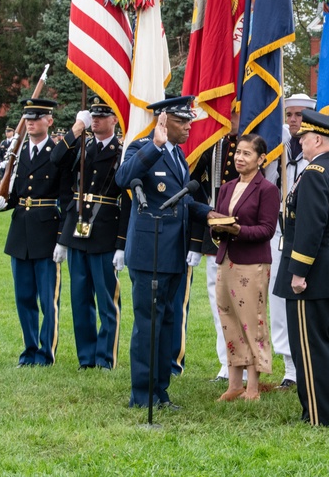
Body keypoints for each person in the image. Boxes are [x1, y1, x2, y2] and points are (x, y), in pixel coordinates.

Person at [114, 96, 216, 409]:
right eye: (182, 121)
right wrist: (154, 146)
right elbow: (122, 178)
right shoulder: (141, 148)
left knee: (167, 323)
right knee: (148, 324)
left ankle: (160, 391)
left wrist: (211, 214)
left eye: (189, 121)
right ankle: (142, 396)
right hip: (150, 251)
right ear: (162, 121)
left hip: (173, 252)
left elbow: (182, 201)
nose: (188, 127)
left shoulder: (179, 156)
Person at [273, 109, 329, 426]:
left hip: (316, 272)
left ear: (317, 139)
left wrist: (298, 272)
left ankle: (318, 414)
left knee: (311, 347)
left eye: (305, 140)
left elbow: (311, 227)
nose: (302, 145)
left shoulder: (314, 173)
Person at [51, 95, 129, 370]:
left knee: (107, 299)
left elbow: (127, 201)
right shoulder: (81, 145)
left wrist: (121, 243)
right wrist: (75, 128)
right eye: (92, 116)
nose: (94, 120)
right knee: (80, 298)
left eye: (101, 115)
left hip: (105, 232)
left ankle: (105, 357)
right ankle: (86, 358)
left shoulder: (122, 151)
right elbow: (55, 158)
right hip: (77, 229)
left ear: (114, 119)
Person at [0, 98, 65, 367]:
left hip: (46, 233)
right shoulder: (17, 154)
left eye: (37, 118)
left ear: (49, 121)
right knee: (23, 298)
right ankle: (29, 350)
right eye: (28, 118)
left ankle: (46, 353)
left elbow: (66, 199)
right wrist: (1, 203)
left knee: (47, 299)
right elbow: (17, 193)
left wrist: (61, 240)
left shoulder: (58, 153)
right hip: (20, 233)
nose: (31, 122)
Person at [211, 134, 280, 402]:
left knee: (253, 324)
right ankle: (234, 385)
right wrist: (216, 225)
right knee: (229, 321)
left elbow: (266, 229)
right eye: (238, 153)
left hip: (252, 264)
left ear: (261, 159)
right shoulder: (227, 187)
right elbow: (220, 224)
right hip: (226, 260)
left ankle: (252, 388)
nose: (240, 158)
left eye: (247, 154)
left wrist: (237, 229)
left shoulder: (267, 190)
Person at [187, 107, 240, 383]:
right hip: (214, 228)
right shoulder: (211, 145)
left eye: (235, 112)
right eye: (227, 112)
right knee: (217, 299)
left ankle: (244, 362)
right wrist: (196, 242)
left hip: (244, 227)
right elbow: (196, 187)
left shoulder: (251, 146)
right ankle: (225, 362)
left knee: (242, 299)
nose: (229, 118)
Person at [269, 93, 316, 389]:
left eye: (300, 115)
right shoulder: (278, 151)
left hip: (310, 235)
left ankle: (309, 363)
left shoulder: (319, 152)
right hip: (280, 233)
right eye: (290, 115)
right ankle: (289, 367)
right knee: (279, 302)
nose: (294, 120)